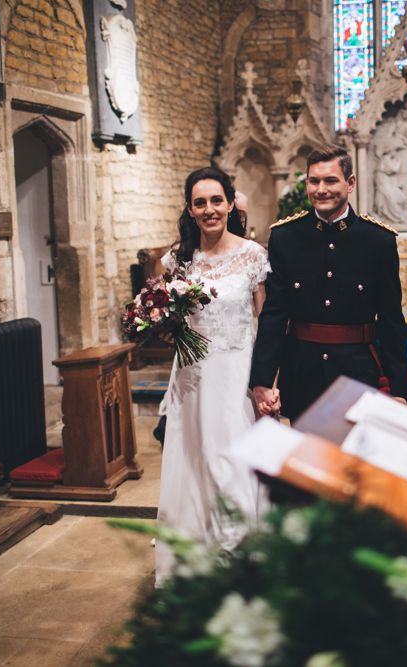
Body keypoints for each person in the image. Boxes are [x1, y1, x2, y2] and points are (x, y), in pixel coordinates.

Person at [156, 167, 269, 585]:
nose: (209, 210)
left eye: (216, 200)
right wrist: (160, 325)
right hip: (192, 377)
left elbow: (264, 321)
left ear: (230, 203)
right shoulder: (177, 259)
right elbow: (162, 310)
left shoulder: (253, 256)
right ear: (190, 208)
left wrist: (267, 381)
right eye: (200, 202)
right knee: (195, 462)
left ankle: (236, 563)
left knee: (232, 464)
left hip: (237, 375)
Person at [250, 143, 407, 421]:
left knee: (356, 459)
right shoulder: (285, 237)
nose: (321, 189)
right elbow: (274, 314)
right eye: (314, 181)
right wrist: (262, 378)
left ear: (350, 183)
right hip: (302, 371)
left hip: (358, 371)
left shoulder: (378, 241)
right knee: (305, 459)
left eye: (330, 180)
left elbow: (391, 319)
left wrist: (398, 390)